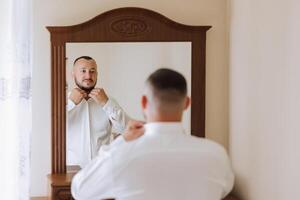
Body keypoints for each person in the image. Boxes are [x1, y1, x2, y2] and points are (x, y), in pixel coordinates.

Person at [71, 68, 234, 200]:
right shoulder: (216, 154)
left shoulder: (121, 156)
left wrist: (120, 144)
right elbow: (224, 190)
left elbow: (80, 191)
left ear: (143, 102)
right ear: (186, 103)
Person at [67, 56, 129, 168]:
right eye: (83, 71)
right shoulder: (63, 103)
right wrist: (70, 103)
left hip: (103, 170)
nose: (88, 76)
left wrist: (107, 103)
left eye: (92, 71)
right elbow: (50, 130)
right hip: (71, 172)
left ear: (97, 75)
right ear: (73, 75)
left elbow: (126, 130)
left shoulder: (108, 101)